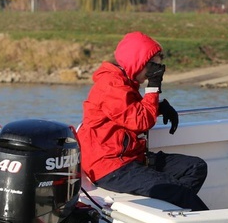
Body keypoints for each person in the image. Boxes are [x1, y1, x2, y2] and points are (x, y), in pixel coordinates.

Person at [77, 31, 209, 211]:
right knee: (177, 191)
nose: (153, 73)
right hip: (109, 165)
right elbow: (140, 121)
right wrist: (154, 87)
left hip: (130, 157)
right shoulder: (110, 85)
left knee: (195, 167)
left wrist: (160, 106)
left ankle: (171, 211)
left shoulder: (125, 82)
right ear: (137, 62)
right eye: (152, 67)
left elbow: (132, 110)